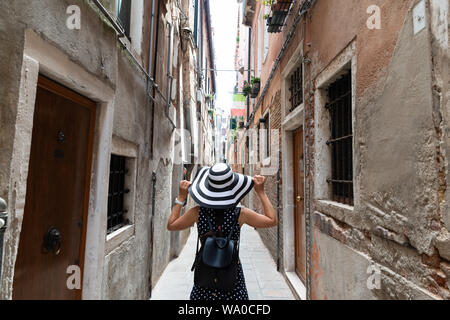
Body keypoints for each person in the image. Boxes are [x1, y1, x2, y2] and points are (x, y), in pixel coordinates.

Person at [167, 163, 277, 300]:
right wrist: (261, 192)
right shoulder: (241, 214)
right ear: (232, 187)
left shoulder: (197, 212)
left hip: (205, 272)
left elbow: (171, 225)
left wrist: (181, 198)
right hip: (231, 275)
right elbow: (272, 220)